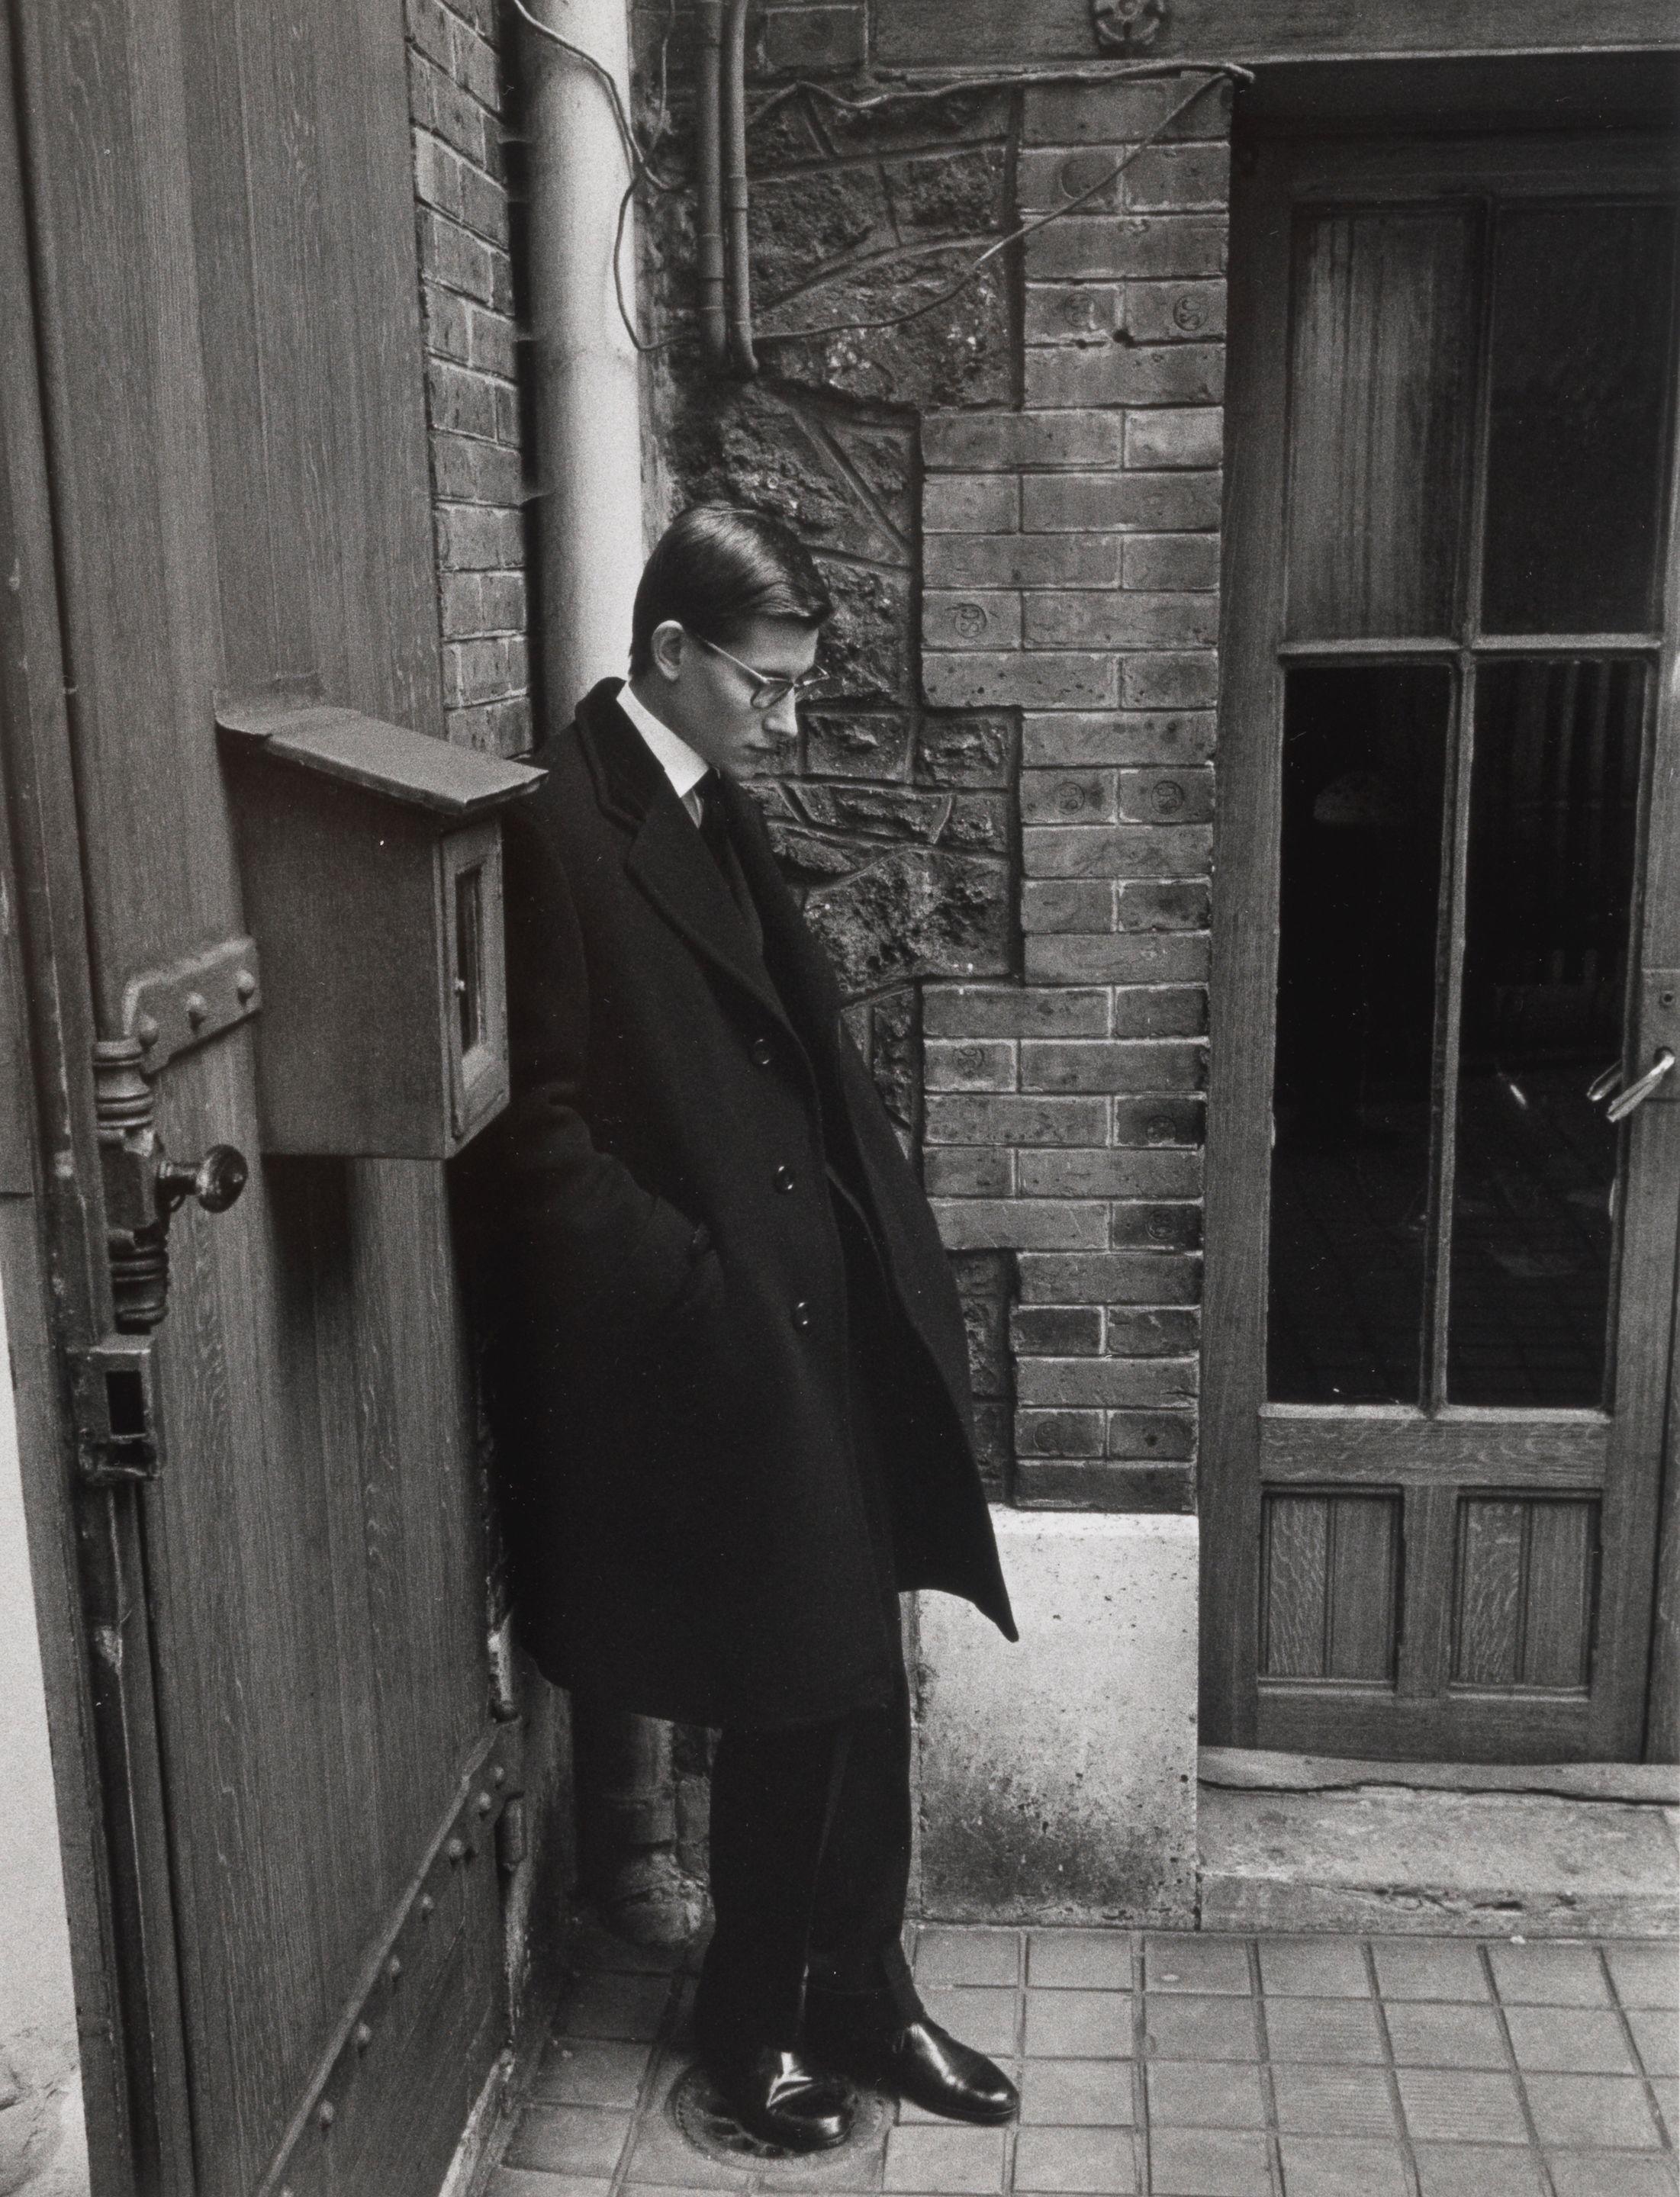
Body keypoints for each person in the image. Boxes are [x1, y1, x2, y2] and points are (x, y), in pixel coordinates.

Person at [490, 505, 1018, 2153]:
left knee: (862, 1670)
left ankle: (860, 1984)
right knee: (790, 1684)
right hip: (720, 1344)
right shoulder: (561, 828)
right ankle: (753, 2024)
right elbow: (531, 1141)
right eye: (764, 686)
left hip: (819, 1314)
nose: (785, 720)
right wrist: (700, 1300)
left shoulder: (701, 798)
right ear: (667, 653)